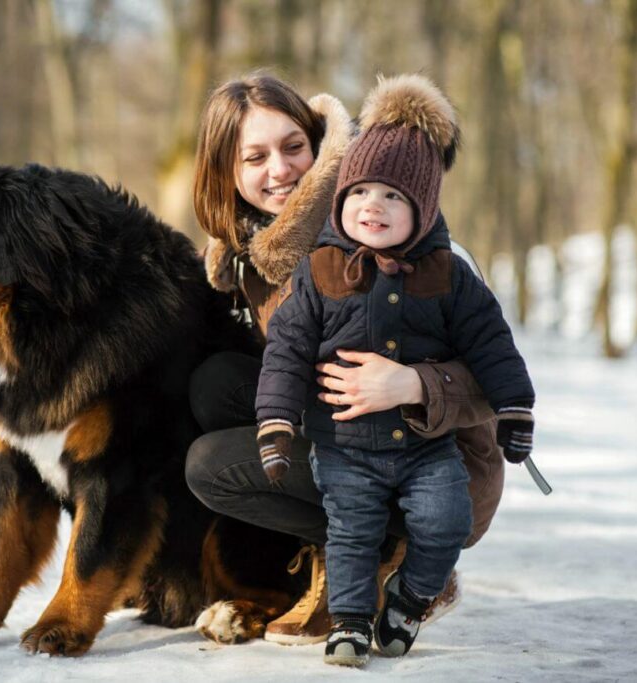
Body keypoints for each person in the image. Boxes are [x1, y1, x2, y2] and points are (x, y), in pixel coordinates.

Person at [186, 71, 504, 647]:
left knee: (211, 464)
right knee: (216, 384)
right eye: (254, 157)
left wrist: (412, 383)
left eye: (292, 148)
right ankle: (345, 545)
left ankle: (397, 561)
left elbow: (496, 376)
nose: (279, 171)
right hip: (350, 435)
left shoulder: (384, 223)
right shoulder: (256, 253)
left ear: (318, 145)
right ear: (226, 172)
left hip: (442, 462)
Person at [254, 74, 535, 667]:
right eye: (359, 193)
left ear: (423, 211)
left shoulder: (448, 275)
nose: (372, 206)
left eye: (393, 197)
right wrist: (276, 423)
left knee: (445, 519)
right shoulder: (319, 270)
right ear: (339, 200)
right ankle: (351, 622)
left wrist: (515, 408)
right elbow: (286, 350)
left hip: (426, 445)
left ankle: (411, 597)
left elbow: (493, 346)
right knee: (350, 531)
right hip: (345, 445)